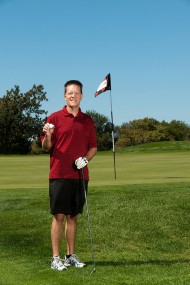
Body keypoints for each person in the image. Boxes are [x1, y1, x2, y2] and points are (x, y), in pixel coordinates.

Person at [41, 80, 97, 271]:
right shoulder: (55, 118)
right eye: (70, 93)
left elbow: (93, 147)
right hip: (59, 173)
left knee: (73, 216)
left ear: (81, 96)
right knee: (59, 216)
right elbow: (46, 147)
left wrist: (86, 160)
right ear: (65, 96)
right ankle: (55, 258)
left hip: (80, 175)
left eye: (77, 93)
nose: (73, 96)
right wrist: (48, 136)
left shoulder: (87, 120)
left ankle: (70, 255)